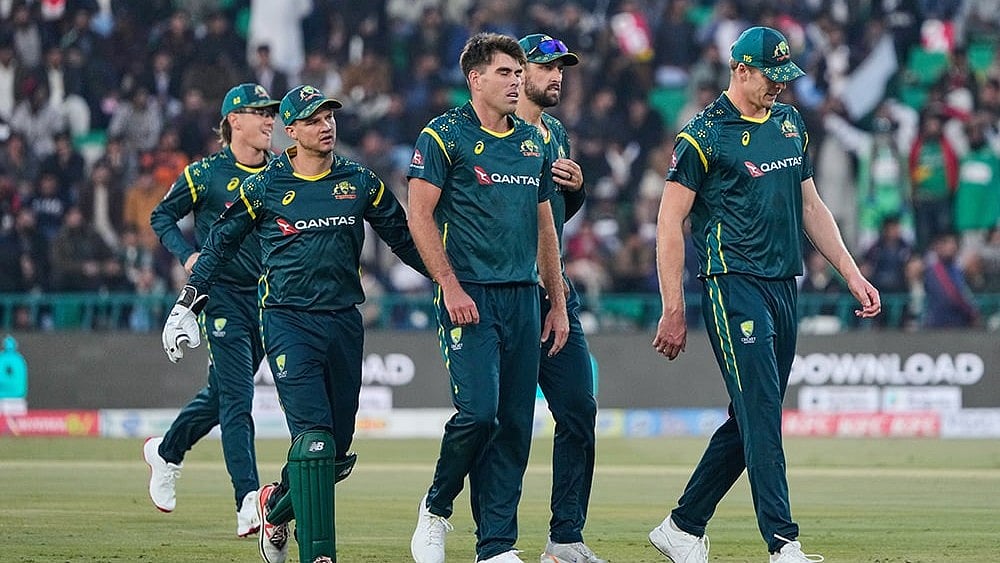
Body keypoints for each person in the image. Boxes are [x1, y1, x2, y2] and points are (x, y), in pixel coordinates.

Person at [160, 84, 427, 563]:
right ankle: (319, 555)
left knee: (336, 452)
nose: (326, 126)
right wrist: (187, 304)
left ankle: (275, 508)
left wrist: (448, 280)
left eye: (330, 117)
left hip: (345, 321)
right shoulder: (263, 185)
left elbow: (406, 239)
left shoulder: (360, 181)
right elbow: (218, 245)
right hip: (286, 322)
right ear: (293, 130)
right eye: (314, 119)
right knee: (315, 440)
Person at [648, 27, 881, 563]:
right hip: (732, 285)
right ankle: (783, 543)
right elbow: (669, 222)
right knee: (762, 414)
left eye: (784, 76)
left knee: (752, 414)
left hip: (783, 283)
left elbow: (812, 208)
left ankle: (682, 527)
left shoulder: (789, 122)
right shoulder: (702, 137)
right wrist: (673, 306)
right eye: (769, 77)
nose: (778, 86)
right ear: (740, 70)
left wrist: (852, 273)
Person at [407, 33, 569, 563]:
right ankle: (435, 508)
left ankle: (496, 546)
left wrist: (558, 299)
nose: (517, 81)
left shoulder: (532, 142)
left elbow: (546, 221)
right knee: (478, 414)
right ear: (475, 79)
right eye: (506, 72)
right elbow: (418, 214)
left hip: (524, 297)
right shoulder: (443, 136)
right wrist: (449, 285)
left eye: (519, 73)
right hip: (469, 295)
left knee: (516, 425)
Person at [144, 83, 280, 537]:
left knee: (222, 394)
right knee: (238, 400)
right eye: (259, 113)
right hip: (220, 298)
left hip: (267, 300)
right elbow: (161, 216)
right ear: (233, 121)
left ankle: (166, 452)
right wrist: (187, 255)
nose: (268, 121)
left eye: (270, 113)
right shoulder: (204, 174)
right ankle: (248, 502)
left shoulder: (279, 172)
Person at [514, 33, 605, 563]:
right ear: (516, 71)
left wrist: (577, 190)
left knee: (577, 409)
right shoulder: (484, 132)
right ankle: (481, 532)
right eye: (546, 67)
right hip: (502, 292)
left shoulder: (554, 133)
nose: (557, 76)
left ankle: (564, 538)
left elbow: (551, 221)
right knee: (499, 421)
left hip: (553, 291)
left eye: (561, 69)